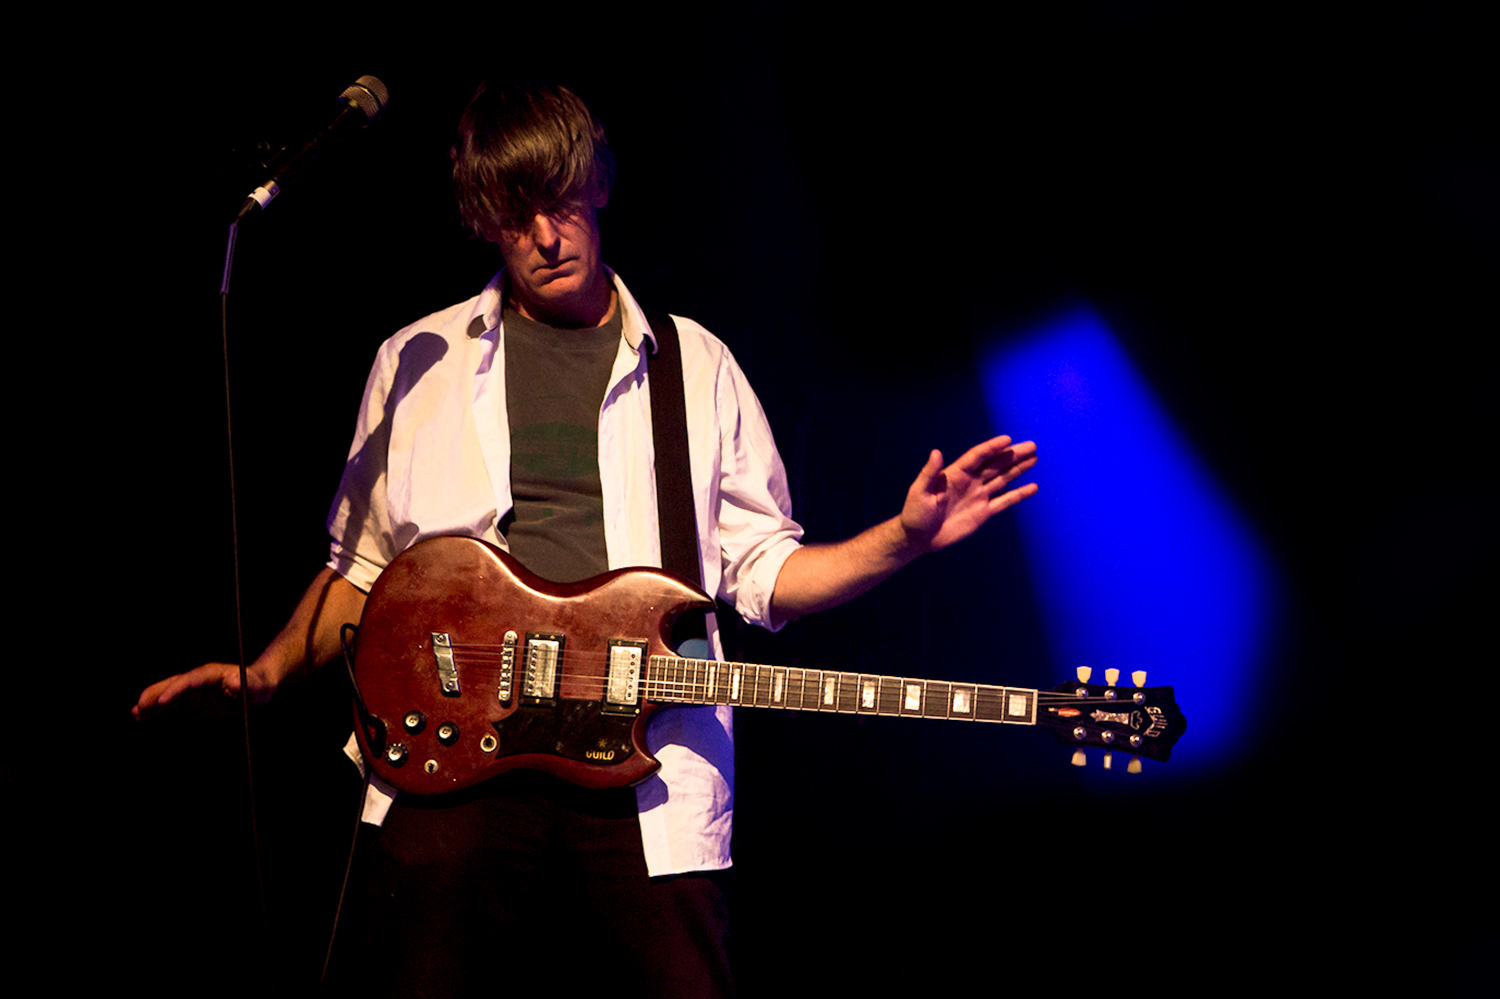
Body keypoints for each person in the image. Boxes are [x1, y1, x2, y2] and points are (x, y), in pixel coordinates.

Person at [134, 80, 1038, 997]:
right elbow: (363, 569)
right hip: (452, 770)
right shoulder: (419, 358)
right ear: (484, 221)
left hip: (649, 781)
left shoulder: (697, 364)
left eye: (559, 202)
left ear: (598, 185)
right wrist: (268, 674)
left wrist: (905, 536)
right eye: (513, 214)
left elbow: (764, 571)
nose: (544, 237)